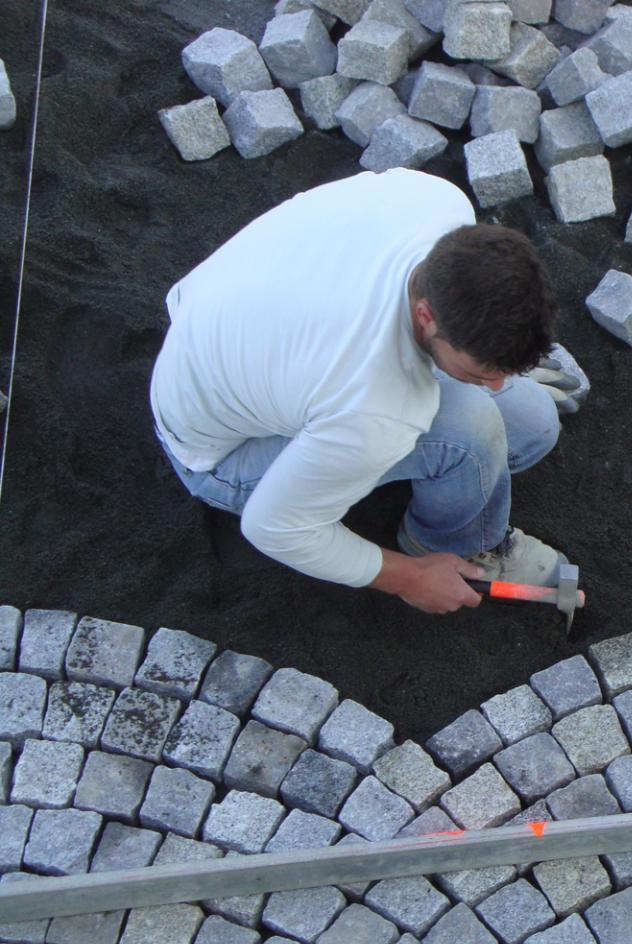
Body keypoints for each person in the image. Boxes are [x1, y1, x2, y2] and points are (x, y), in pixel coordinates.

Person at [151, 168, 584, 616]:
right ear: (426, 315)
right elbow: (274, 527)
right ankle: (455, 546)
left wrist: (490, 359)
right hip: (219, 451)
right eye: (485, 369)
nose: (499, 384)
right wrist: (408, 578)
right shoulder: (377, 409)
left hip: (229, 328)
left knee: (531, 425)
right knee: (469, 431)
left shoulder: (437, 203)